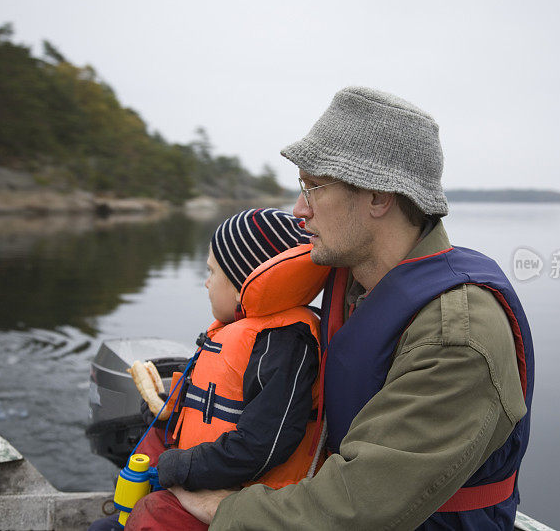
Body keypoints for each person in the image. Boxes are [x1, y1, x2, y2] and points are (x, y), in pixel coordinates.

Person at [171, 86, 535, 530]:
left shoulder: (457, 335)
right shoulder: (354, 279)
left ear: (379, 198)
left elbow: (358, 508)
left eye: (314, 187)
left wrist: (225, 511)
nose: (299, 210)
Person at [90, 208, 329, 530]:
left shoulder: (284, 343)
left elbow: (262, 445)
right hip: (208, 482)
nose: (205, 282)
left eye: (212, 271)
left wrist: (180, 467)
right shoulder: (247, 330)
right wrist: (169, 415)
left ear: (243, 282)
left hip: (242, 504)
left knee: (148, 515)